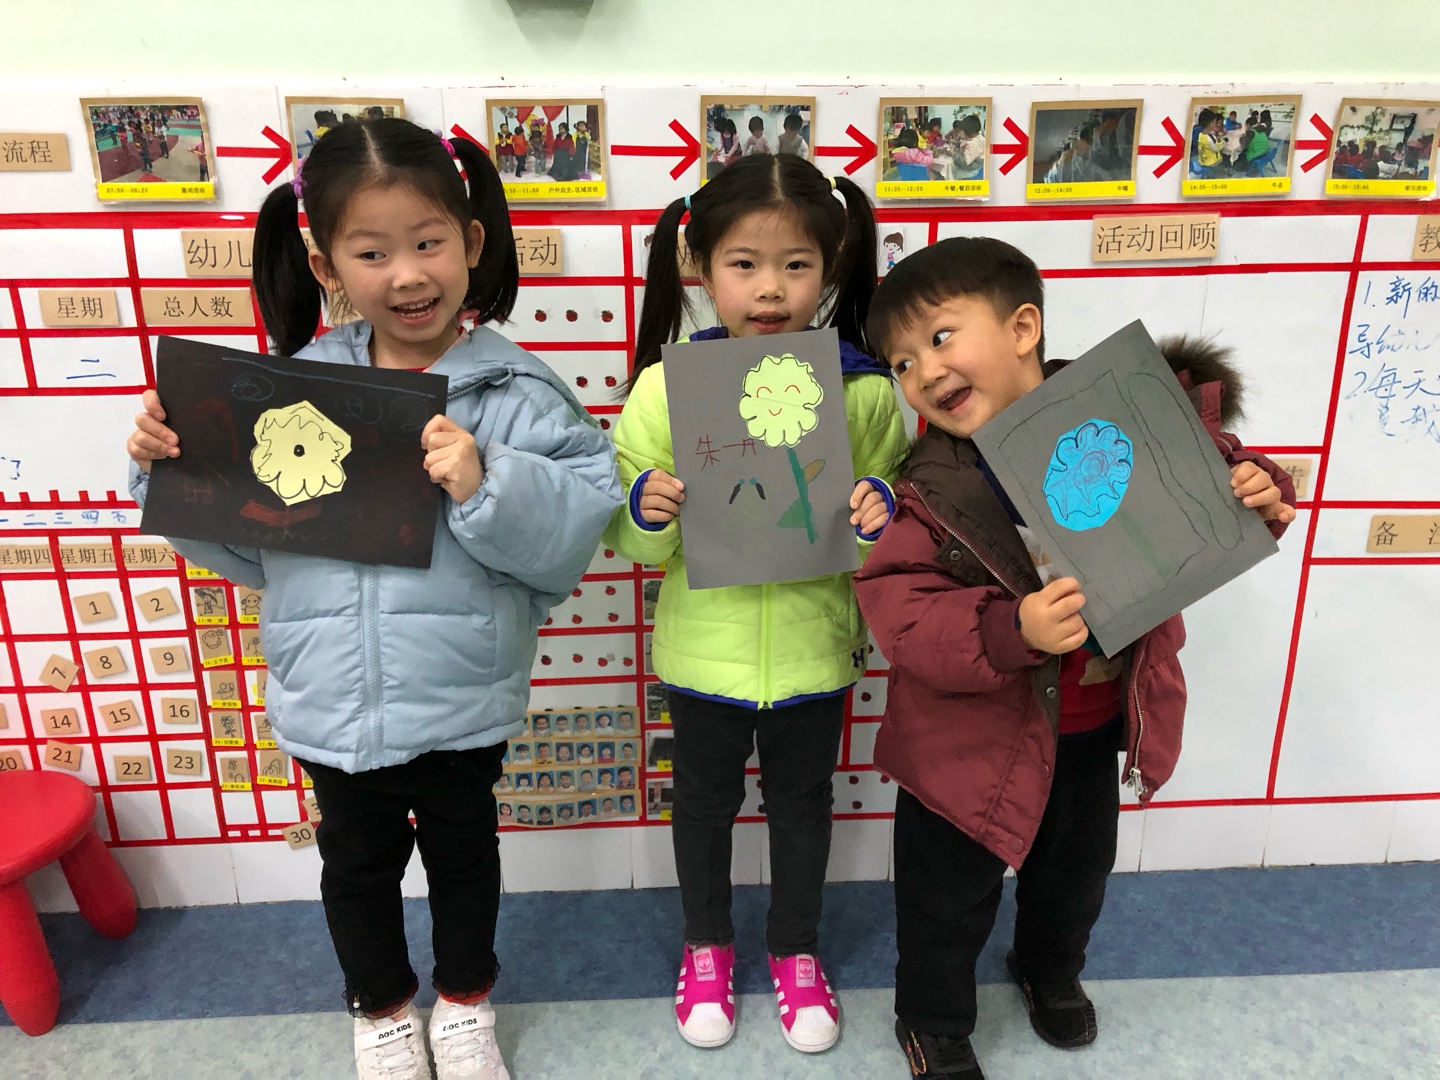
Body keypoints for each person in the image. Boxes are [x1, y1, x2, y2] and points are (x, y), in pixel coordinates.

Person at [124, 118, 621, 1080]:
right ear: (324, 264)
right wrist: (169, 468)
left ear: (471, 243)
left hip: (461, 695)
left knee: (465, 858)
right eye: (372, 251)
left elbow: (571, 537)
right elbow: (247, 549)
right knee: (354, 866)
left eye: (428, 242)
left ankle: (466, 1004)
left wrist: (487, 481)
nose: (407, 274)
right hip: (331, 698)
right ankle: (383, 1011)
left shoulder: (518, 391)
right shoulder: (286, 390)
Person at [852, 237, 1296, 1080]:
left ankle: (1048, 970)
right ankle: (933, 1018)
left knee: (1074, 876)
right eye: (903, 363)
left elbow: (1205, 482)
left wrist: (1254, 488)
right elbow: (902, 614)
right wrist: (1008, 628)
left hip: (1090, 729)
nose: (924, 373)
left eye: (941, 338)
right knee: (944, 896)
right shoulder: (928, 489)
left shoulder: (1122, 420)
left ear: (1023, 328)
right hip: (961, 749)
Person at [604, 152, 908, 1054]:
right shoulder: (666, 388)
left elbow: (890, 535)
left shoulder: (863, 391)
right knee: (701, 805)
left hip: (815, 654)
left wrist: (877, 515)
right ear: (701, 268)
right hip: (704, 653)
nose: (770, 288)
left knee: (802, 807)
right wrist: (645, 510)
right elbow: (629, 533)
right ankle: (705, 946)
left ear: (831, 267)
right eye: (744, 264)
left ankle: (794, 949)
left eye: (796, 264)